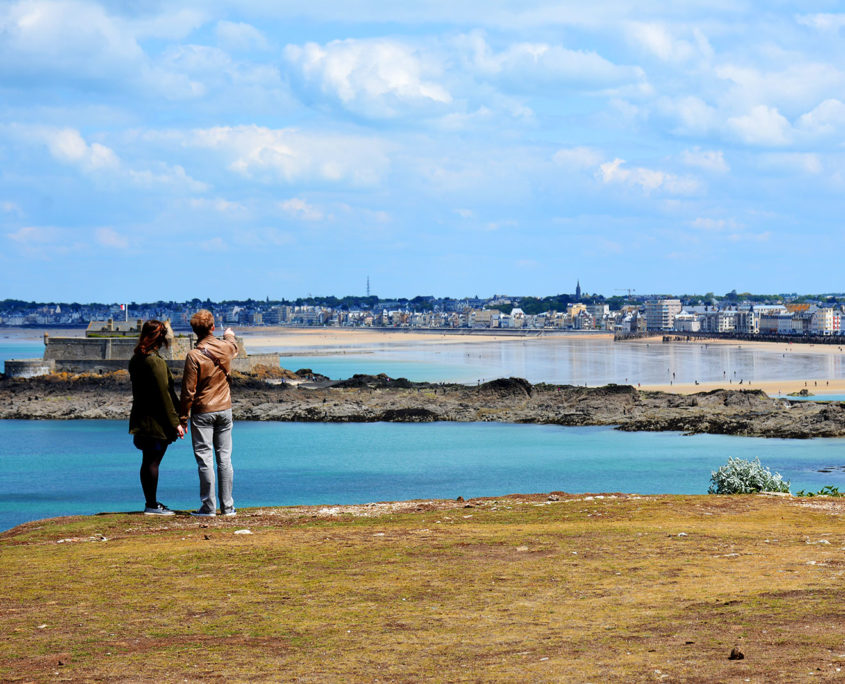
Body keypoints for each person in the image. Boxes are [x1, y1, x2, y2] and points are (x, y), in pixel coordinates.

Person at [180, 310, 239, 517]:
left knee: (205, 459)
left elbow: (188, 391)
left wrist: (182, 418)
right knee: (225, 459)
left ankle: (208, 507)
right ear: (213, 327)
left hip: (202, 411)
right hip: (225, 409)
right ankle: (228, 507)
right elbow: (233, 345)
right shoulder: (225, 348)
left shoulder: (194, 355)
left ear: (194, 330)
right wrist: (229, 334)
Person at [128, 320, 185, 515]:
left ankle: (151, 502)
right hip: (155, 421)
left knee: (148, 461)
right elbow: (164, 394)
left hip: (142, 417)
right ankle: (151, 505)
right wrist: (176, 422)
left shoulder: (136, 359)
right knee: (152, 461)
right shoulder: (154, 361)